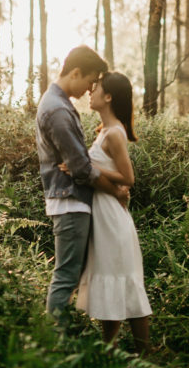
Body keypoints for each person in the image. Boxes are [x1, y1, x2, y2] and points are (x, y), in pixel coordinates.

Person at [36, 46, 129, 321]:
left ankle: (62, 334)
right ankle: (56, 339)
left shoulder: (58, 105)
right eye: (90, 80)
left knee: (71, 274)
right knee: (66, 276)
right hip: (70, 201)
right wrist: (116, 191)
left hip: (71, 200)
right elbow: (81, 169)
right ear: (75, 73)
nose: (90, 88)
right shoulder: (57, 110)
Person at [73, 71, 152, 354]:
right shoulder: (105, 132)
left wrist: (86, 167)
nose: (90, 92)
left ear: (108, 97)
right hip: (104, 214)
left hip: (112, 217)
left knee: (123, 279)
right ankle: (110, 349)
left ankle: (143, 352)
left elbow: (128, 177)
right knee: (111, 278)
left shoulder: (115, 132)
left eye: (96, 88)